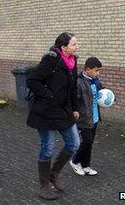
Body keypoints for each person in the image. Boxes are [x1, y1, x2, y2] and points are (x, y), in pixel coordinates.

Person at [26, 32, 80, 200]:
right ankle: (44, 186)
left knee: (73, 143)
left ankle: (54, 173)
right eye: (74, 44)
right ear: (63, 47)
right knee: (47, 147)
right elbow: (32, 80)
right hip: (46, 112)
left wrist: (75, 108)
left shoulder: (73, 62)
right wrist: (48, 95)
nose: (77, 47)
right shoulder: (51, 60)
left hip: (64, 112)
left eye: (76, 44)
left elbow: (73, 88)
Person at [70, 57, 103, 176]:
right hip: (84, 119)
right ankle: (74, 161)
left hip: (94, 118)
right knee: (86, 142)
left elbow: (102, 94)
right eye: (96, 70)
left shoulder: (96, 81)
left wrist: (108, 99)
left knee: (90, 142)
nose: (98, 73)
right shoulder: (79, 82)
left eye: (99, 70)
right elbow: (74, 99)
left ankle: (86, 165)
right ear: (87, 69)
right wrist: (75, 112)